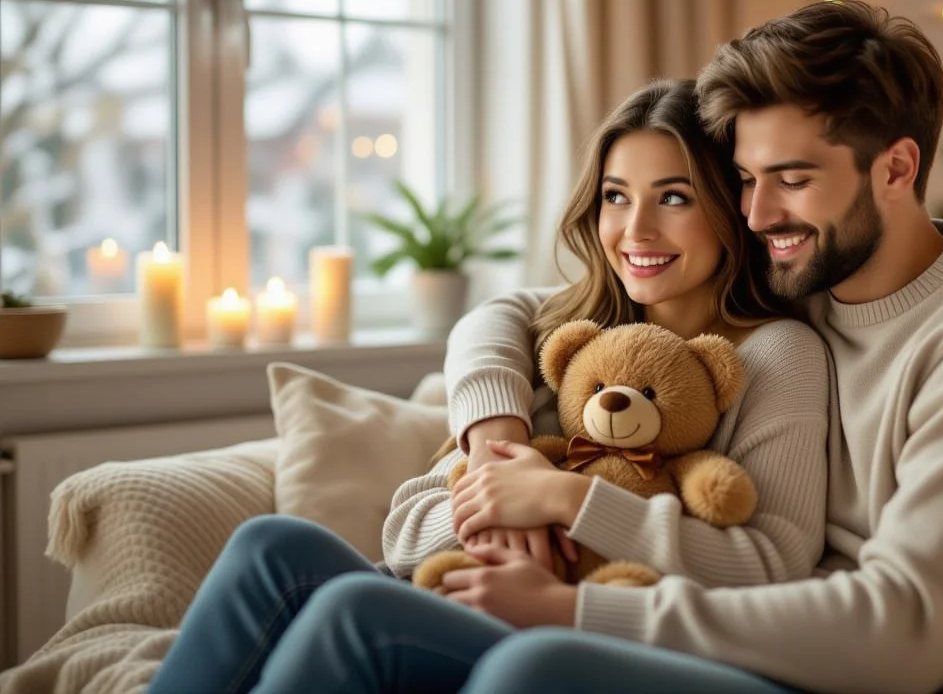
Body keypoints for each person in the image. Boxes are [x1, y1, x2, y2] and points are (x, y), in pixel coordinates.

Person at [426, 0, 943, 694]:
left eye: (792, 180)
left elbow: (902, 633)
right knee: (323, 573)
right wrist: (495, 438)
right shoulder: (807, 271)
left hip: (860, 670)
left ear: (895, 168)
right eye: (744, 180)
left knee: (532, 668)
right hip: (750, 635)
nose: (757, 216)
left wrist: (576, 610)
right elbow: (518, 312)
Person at [145, 78, 831, 694]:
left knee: (358, 614)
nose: (636, 229)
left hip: (592, 628)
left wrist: (566, 497)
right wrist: (502, 484)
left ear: (727, 208)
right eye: (616, 197)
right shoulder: (568, 340)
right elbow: (405, 534)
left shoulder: (777, 355)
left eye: (674, 198)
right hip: (457, 590)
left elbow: (773, 568)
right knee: (271, 546)